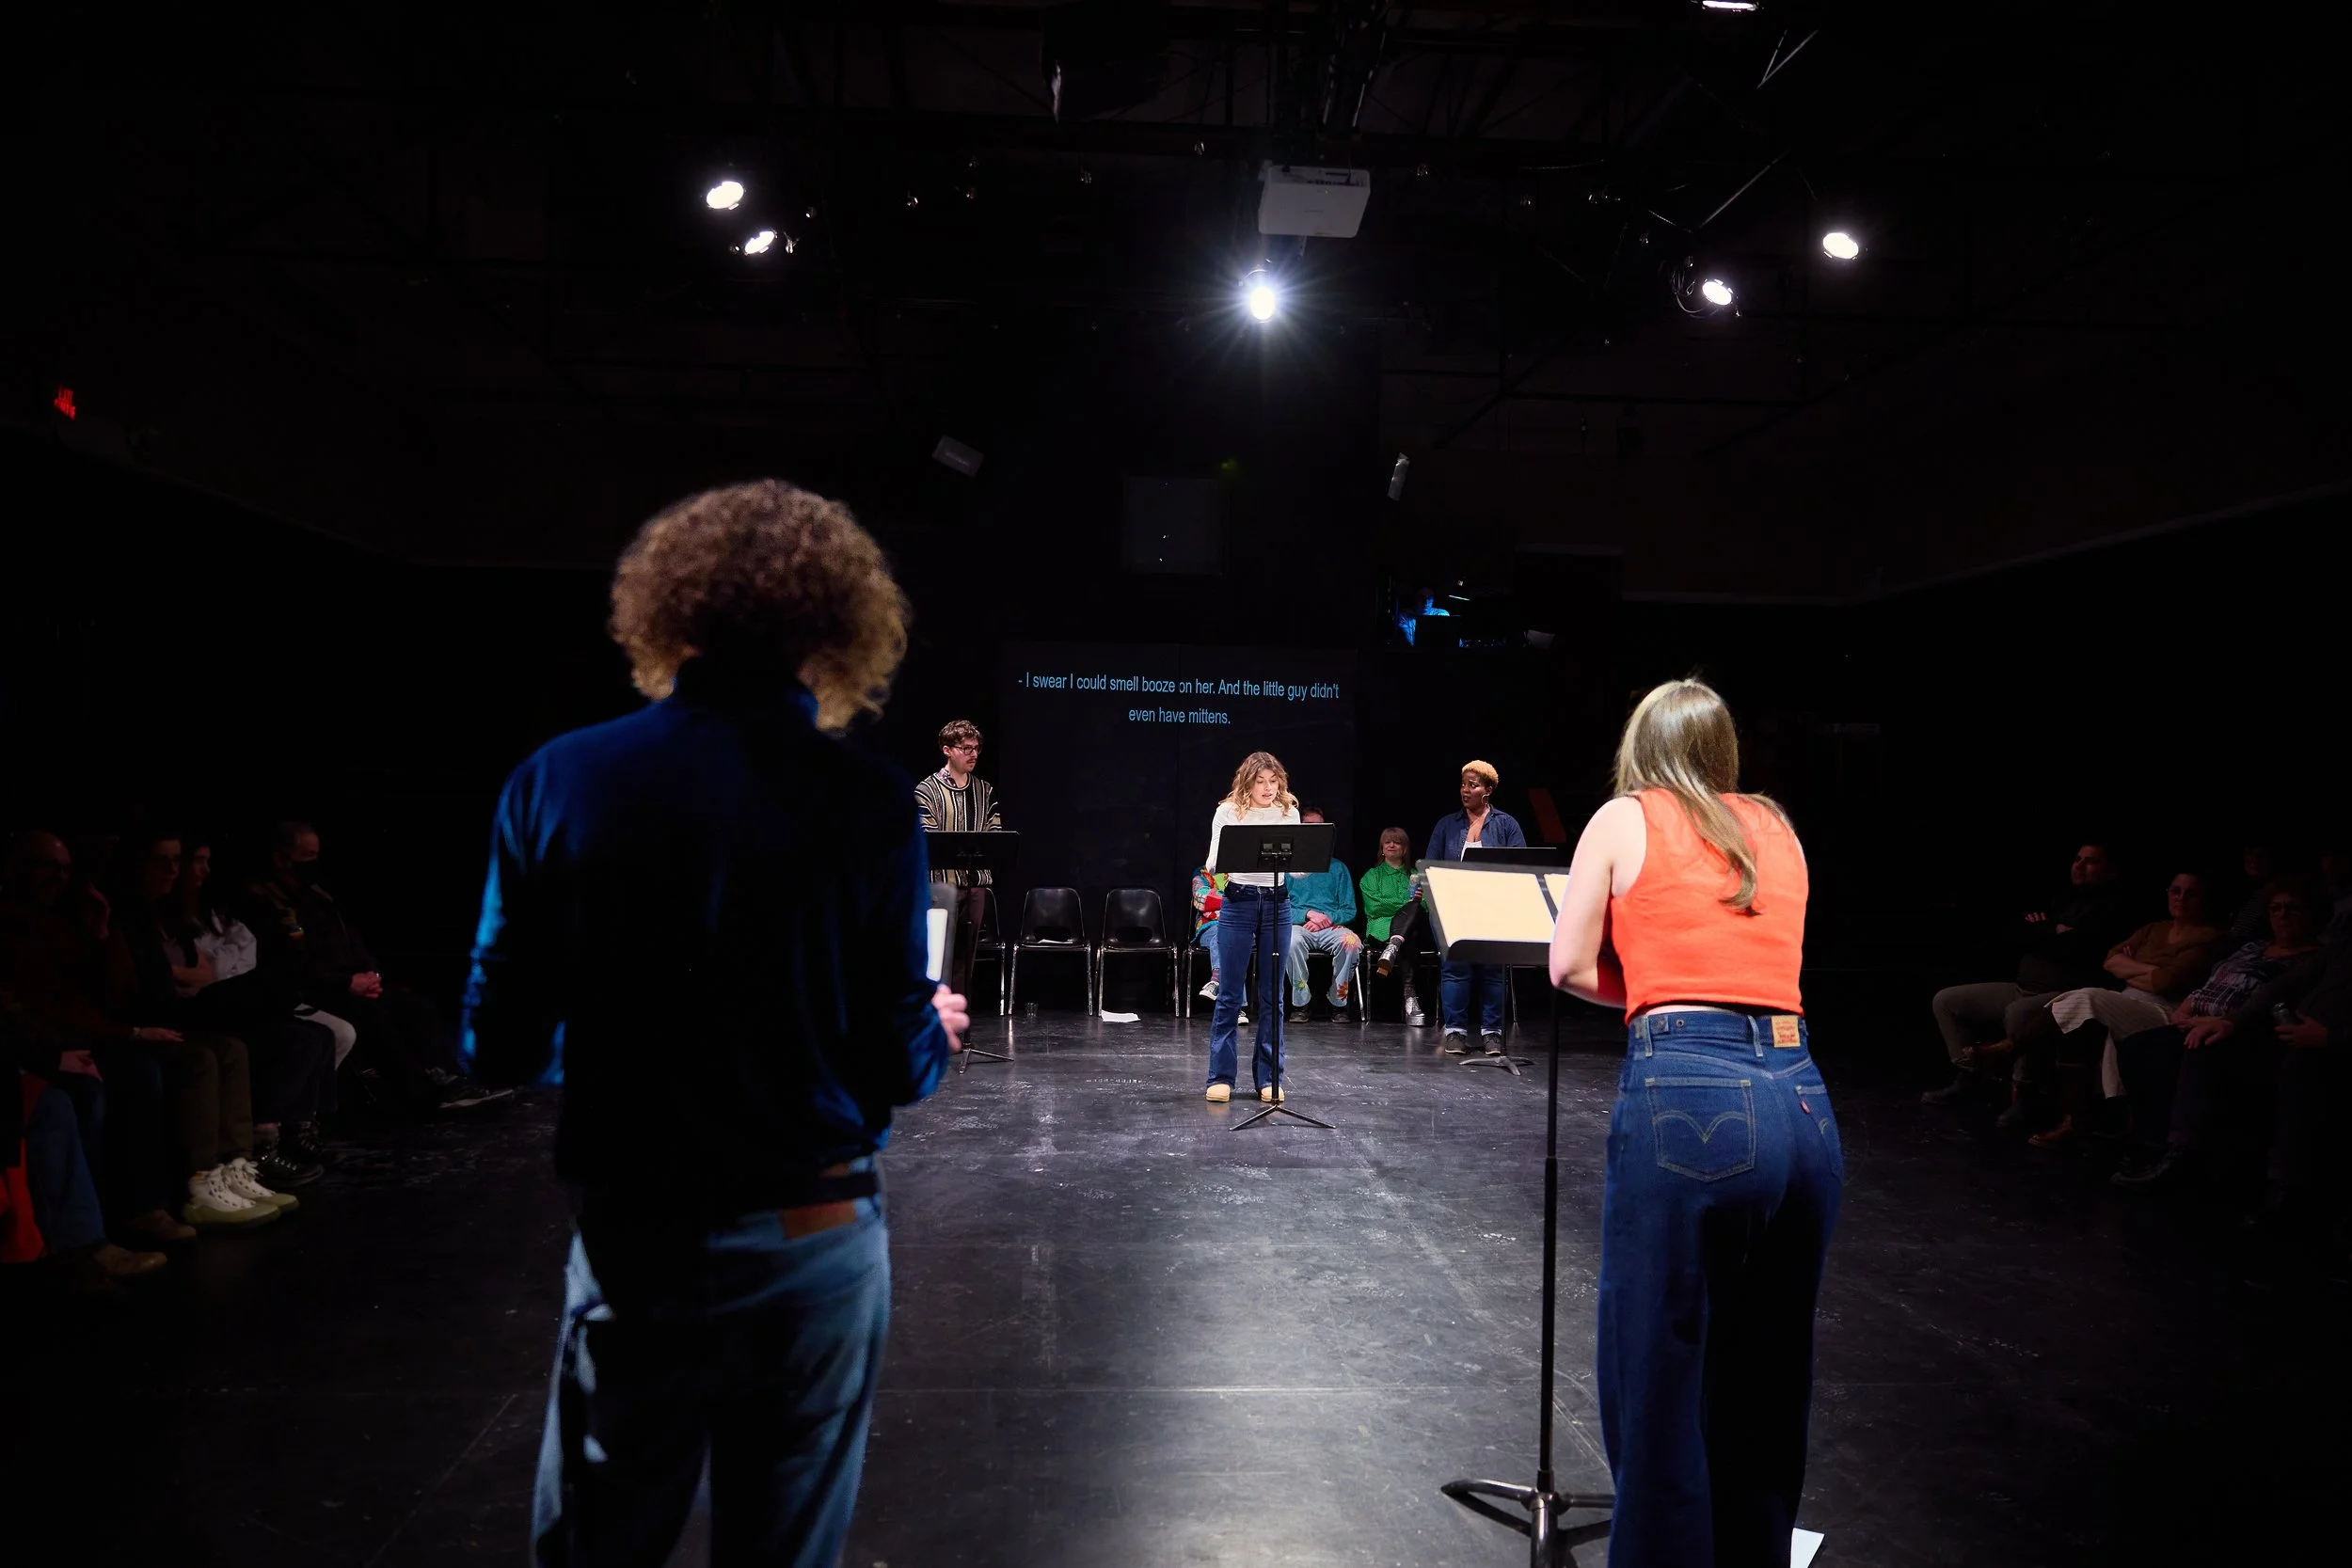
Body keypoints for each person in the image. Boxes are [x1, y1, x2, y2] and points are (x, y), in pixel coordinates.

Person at [459, 477, 967, 1568]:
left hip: (637, 1238)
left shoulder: (559, 779)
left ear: (668, 610)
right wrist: (930, 1024)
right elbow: (895, 1057)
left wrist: (616, 1027)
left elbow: (495, 1041)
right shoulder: (869, 801)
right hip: (816, 1234)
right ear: (837, 625)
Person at [1547, 679, 1835, 1568]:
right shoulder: (1778, 826)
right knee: (1767, 1363)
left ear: (1643, 745)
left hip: (1691, 1094)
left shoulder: (1623, 817)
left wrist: (1659, 998)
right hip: (1803, 1097)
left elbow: (1567, 964)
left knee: (1660, 1356)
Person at [1, 831, 281, 1230]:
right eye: (162, 861)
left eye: (177, 860)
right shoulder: (43, 924)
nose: (174, 870)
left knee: (230, 1048)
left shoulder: (137, 917)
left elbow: (172, 981)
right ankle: (189, 1187)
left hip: (109, 1027)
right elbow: (82, 1001)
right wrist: (130, 1029)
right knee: (170, 1065)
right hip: (80, 1037)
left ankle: (230, 1167)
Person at [241, 822, 508, 1116]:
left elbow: (351, 941)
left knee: (415, 1007)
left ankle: (451, 1078)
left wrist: (371, 975)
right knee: (370, 1015)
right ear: (282, 859)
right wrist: (345, 983)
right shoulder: (263, 902)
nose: (313, 863)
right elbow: (290, 964)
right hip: (311, 991)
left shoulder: (318, 895)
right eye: (307, 856)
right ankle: (419, 1093)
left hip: (349, 983)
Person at [2110, 878, 2326, 1191]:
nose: (2283, 914)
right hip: (2197, 1019)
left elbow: (2278, 1007)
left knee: (2199, 1047)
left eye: (2294, 908)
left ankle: (2181, 1157)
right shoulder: (2253, 948)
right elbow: (2210, 984)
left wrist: (2218, 1021)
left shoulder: (2312, 959)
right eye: (2277, 907)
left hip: (2247, 1033)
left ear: (2311, 913)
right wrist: (2185, 1012)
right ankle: (2152, 1145)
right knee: (2140, 1046)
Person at [2011, 870, 2222, 1148]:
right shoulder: (2153, 929)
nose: (2181, 898)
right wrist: (2151, 972)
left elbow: (2168, 981)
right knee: (2080, 1024)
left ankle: (2008, 1048)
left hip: (2164, 1009)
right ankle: (2075, 1122)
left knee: (2086, 998)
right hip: (2126, 1000)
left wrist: (2134, 970)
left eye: (2191, 893)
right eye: (2175, 890)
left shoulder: (2212, 938)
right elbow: (2110, 960)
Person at [1923, 843, 2138, 1105]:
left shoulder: (2114, 910)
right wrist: (2054, 930)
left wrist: (2044, 930)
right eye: (2077, 859)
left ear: (2111, 871)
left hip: (2062, 994)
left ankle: (2025, 1095)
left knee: (2020, 1013)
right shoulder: (2062, 898)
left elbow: (2077, 949)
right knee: (1946, 1001)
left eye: (2090, 862)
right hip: (2020, 986)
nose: (2079, 866)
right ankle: (1970, 1075)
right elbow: (2014, 932)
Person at [1203, 752, 1299, 1103]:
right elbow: (1213, 862)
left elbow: (1300, 868)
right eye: (1261, 782)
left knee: (1273, 994)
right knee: (1230, 993)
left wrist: (1303, 857)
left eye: (1274, 782)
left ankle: (1269, 1077)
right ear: (1247, 781)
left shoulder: (1289, 812)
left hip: (1277, 903)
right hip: (1240, 901)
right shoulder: (1227, 812)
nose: (1268, 789)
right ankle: (1221, 1077)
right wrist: (1240, 848)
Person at [1426, 760, 1525, 1054]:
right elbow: (1429, 864)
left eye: (1473, 785)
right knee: (1455, 968)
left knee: (1493, 970)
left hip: (1492, 908)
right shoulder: (1447, 825)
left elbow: (1521, 867)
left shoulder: (1506, 825)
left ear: (1489, 790)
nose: (1465, 790)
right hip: (1453, 907)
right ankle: (1455, 1031)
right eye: (1463, 784)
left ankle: (1492, 1032)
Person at [913, 720, 1002, 1009]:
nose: (973, 754)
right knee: (939, 954)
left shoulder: (984, 791)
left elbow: (994, 833)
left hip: (976, 885)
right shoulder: (926, 790)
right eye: (966, 748)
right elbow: (930, 837)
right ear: (947, 750)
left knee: (967, 953)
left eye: (976, 748)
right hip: (941, 885)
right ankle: (933, 1013)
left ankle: (959, 1017)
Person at [1283, 808, 1360, 1021]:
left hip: (1331, 927)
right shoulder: (1289, 868)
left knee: (1351, 941)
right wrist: (1308, 914)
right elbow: (1279, 909)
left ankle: (1338, 1000)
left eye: (1320, 827)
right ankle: (1301, 1002)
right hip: (1300, 925)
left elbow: (1349, 909)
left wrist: (1325, 920)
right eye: (1309, 826)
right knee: (1289, 941)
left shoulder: (1338, 868)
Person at [1359, 828, 1427, 1026]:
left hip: (1409, 933)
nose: (1391, 845)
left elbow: (1427, 907)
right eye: (1387, 842)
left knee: (1416, 911)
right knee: (1412, 914)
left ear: (1404, 849)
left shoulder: (1416, 875)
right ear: (1382, 848)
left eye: (1396, 842)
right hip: (1380, 930)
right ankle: (1410, 996)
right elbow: (1374, 907)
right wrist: (1406, 902)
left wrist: (1413, 903)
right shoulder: (1372, 875)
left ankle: (1394, 945)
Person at [1188, 865, 1247, 1025]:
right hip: (1210, 928)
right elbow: (1203, 900)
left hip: (1243, 928)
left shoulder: (1242, 875)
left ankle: (1216, 981)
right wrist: (1233, 902)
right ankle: (1237, 1007)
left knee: (1230, 938)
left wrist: (1220, 904)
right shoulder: (1201, 876)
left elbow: (1249, 903)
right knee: (1224, 936)